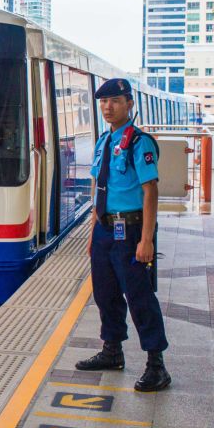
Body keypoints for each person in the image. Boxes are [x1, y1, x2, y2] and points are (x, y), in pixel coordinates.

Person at [76, 78, 170, 392]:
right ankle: (112, 351)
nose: (107, 107)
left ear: (129, 104)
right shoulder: (104, 141)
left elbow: (150, 191)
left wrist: (147, 240)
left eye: (114, 101)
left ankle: (157, 364)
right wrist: (92, 230)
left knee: (139, 296)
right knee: (106, 294)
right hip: (105, 229)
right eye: (103, 102)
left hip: (130, 231)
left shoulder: (139, 142)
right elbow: (97, 186)